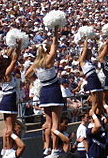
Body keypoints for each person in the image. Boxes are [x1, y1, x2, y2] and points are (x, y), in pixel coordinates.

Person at [25, 26, 64, 157]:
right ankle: (54, 149)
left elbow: (26, 76)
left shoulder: (35, 64)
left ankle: (46, 147)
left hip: (44, 92)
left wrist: (36, 80)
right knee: (55, 122)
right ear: (46, 51)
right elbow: (55, 45)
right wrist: (55, 31)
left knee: (47, 122)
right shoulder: (49, 60)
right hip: (53, 90)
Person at [0, 41, 22, 154]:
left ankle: (5, 148)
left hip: (7, 99)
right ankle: (9, 148)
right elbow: (14, 60)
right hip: (9, 100)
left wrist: (12, 47)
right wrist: (19, 46)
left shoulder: (2, 73)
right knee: (10, 127)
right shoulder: (7, 72)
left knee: (7, 127)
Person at [79, 39, 103, 112]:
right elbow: (85, 48)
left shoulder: (90, 62)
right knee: (95, 103)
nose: (90, 54)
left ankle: (98, 118)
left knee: (99, 102)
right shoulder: (82, 61)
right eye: (88, 53)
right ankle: (92, 119)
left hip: (96, 80)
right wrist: (86, 38)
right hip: (91, 81)